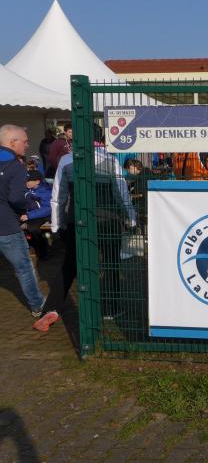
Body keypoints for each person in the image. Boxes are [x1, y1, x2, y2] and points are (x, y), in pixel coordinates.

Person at [50, 127, 137, 319]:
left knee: (71, 263)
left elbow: (58, 196)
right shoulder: (110, 160)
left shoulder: (66, 160)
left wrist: (57, 225)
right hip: (107, 219)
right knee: (111, 264)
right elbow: (121, 193)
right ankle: (110, 308)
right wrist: (131, 218)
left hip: (78, 219)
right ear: (102, 139)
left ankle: (52, 306)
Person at [0, 125, 56, 329]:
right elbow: (16, 198)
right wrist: (25, 208)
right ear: (12, 142)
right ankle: (38, 306)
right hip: (6, 226)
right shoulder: (15, 166)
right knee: (24, 267)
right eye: (24, 141)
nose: (27, 145)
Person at [21, 170, 52, 260]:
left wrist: (29, 215)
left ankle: (42, 252)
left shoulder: (45, 191)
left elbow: (47, 209)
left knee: (35, 230)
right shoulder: (26, 189)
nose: (26, 182)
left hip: (42, 216)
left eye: (28, 180)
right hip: (29, 215)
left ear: (37, 181)